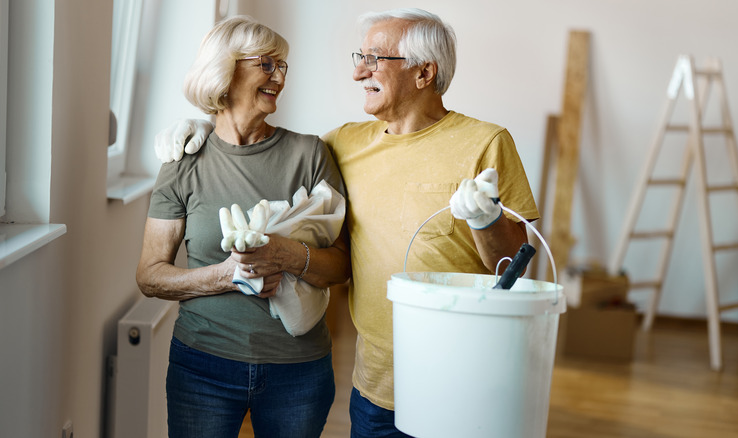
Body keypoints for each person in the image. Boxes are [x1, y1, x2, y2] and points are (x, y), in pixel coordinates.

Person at [155, 8, 539, 438]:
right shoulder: (344, 144)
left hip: (463, 381)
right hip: (375, 388)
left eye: (375, 58)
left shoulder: (486, 142)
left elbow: (515, 270)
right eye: (360, 57)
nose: (359, 72)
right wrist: (205, 126)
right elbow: (261, 149)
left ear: (424, 72)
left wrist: (486, 221)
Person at [136, 16, 350, 438]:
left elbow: (341, 266)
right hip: (202, 367)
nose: (279, 77)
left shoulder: (310, 154)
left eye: (283, 66)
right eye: (266, 65)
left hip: (299, 371)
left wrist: (282, 254)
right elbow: (149, 275)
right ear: (224, 70)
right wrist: (229, 276)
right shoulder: (183, 163)